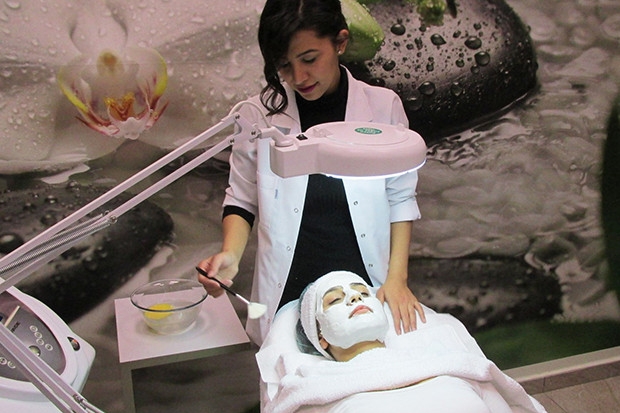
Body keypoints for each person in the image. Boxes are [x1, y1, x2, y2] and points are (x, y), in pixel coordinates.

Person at [197, 0, 425, 345]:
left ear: (340, 42)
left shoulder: (382, 107)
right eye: (283, 65)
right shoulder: (257, 116)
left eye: (309, 59)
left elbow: (401, 197)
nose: (297, 77)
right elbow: (242, 198)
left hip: (363, 288)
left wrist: (397, 280)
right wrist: (230, 256)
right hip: (286, 288)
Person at [255, 270, 547, 413]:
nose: (355, 297)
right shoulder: (313, 389)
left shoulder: (447, 362)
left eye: (362, 292)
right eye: (334, 300)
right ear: (321, 339)